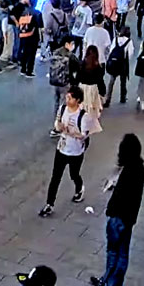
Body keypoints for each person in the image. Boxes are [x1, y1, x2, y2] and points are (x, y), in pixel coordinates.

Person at [90, 134, 144, 286]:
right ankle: (111, 283)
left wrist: (111, 209)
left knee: (114, 252)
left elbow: (121, 196)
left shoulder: (129, 170)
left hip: (118, 217)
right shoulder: (139, 168)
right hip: (128, 218)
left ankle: (108, 283)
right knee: (122, 252)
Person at [40, 86, 98, 217]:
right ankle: (49, 204)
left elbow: (84, 135)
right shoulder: (62, 109)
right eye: (67, 97)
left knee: (74, 174)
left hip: (75, 152)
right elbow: (57, 123)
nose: (67, 99)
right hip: (62, 149)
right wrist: (59, 127)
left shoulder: (83, 116)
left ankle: (79, 188)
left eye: (70, 98)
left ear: (77, 100)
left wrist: (70, 131)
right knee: (55, 177)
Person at [48, 38, 80, 136]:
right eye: (71, 43)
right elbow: (77, 66)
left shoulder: (56, 53)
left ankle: (56, 124)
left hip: (55, 82)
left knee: (57, 104)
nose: (73, 45)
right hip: (65, 83)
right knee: (64, 106)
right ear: (67, 44)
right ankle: (58, 127)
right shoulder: (70, 56)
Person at [104, 26, 135, 108]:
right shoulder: (129, 41)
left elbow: (111, 50)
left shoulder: (116, 39)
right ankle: (122, 97)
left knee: (111, 81)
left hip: (114, 63)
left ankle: (108, 99)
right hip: (122, 63)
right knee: (123, 81)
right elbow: (131, 53)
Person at [78, 45, 106, 120]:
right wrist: (102, 92)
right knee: (93, 108)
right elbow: (100, 81)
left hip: (82, 88)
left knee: (82, 106)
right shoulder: (98, 67)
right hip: (93, 89)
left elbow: (78, 78)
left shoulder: (82, 64)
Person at [15, 0, 41, 77]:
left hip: (24, 34)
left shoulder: (23, 11)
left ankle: (23, 69)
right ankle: (29, 71)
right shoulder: (37, 13)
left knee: (25, 52)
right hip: (33, 35)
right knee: (32, 53)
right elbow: (41, 27)